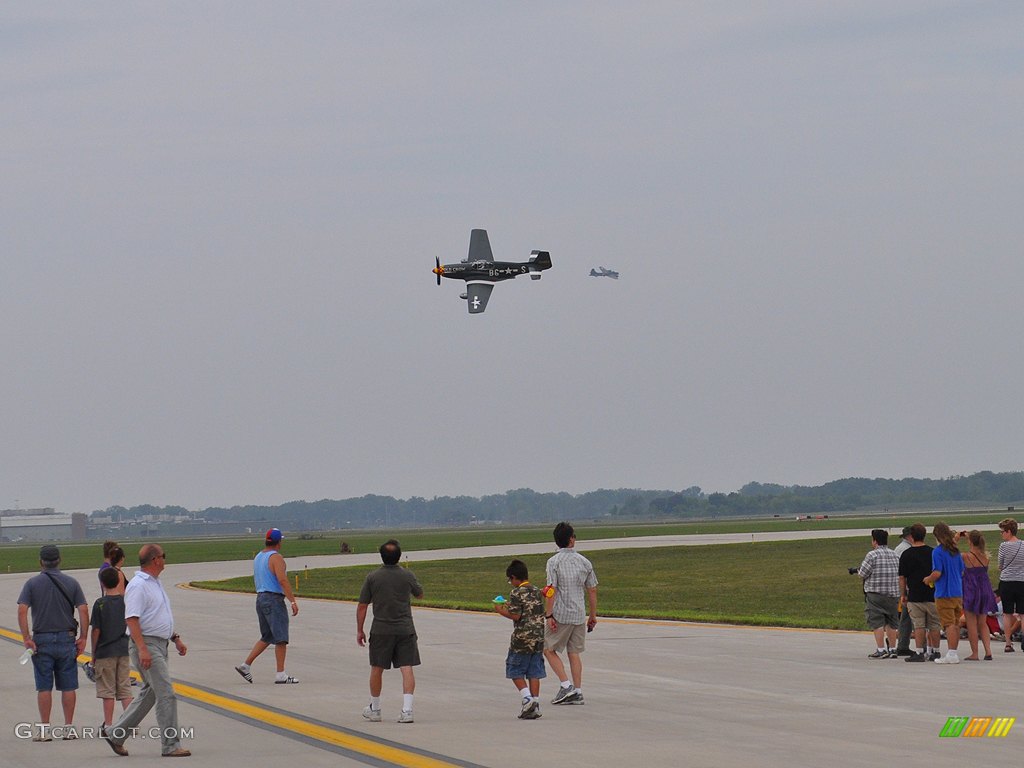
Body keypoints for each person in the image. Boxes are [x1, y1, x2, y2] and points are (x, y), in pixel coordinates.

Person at [102, 543, 191, 757]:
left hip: (159, 643)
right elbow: (131, 618)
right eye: (164, 556)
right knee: (167, 694)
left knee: (150, 694)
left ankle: (115, 734)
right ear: (155, 560)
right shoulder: (139, 585)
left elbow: (156, 616)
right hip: (147, 645)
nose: (165, 559)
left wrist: (175, 637)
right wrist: (143, 649)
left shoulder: (154, 583)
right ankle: (170, 745)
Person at [16, 544, 89, 742]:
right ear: (59, 560)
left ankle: (45, 730)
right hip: (66, 639)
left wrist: (26, 638)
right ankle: (68, 728)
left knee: (44, 686)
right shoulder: (72, 583)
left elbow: (22, 611)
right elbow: (83, 610)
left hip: (42, 639)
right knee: (68, 686)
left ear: (41, 562)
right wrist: (83, 637)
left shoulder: (31, 584)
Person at [356, 539, 424, 724]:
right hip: (405, 629)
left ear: (382, 556)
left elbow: (362, 606)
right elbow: (419, 593)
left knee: (377, 668)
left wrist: (359, 630)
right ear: (399, 556)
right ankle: (407, 710)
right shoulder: (407, 575)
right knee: (406, 667)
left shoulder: (372, 577)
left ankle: (375, 708)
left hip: (381, 629)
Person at [235, 528, 300, 685]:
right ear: (279, 542)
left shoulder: (259, 556)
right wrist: (292, 600)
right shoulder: (276, 557)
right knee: (281, 638)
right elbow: (282, 579)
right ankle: (281, 674)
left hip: (261, 598)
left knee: (268, 636)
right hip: (273, 599)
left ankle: (245, 665)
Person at [543, 522, 598, 705]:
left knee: (548, 649)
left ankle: (566, 686)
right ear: (571, 539)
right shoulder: (584, 562)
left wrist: (549, 614)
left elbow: (551, 590)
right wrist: (592, 615)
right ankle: (578, 690)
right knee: (574, 652)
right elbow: (592, 589)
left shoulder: (553, 562)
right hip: (578, 613)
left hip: (561, 613)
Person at [493, 559, 546, 720]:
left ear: (515, 577)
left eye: (510, 579)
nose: (511, 583)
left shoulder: (516, 592)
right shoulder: (536, 590)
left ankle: (527, 699)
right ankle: (535, 704)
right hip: (538, 636)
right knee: (534, 670)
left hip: (522, 637)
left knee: (514, 669)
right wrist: (510, 605)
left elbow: (516, 615)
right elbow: (528, 608)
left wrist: (500, 610)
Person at [91, 566, 134, 725]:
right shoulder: (126, 602)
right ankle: (130, 722)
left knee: (107, 690)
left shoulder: (100, 604)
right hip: (123, 649)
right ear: (118, 582)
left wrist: (93, 653)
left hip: (105, 651)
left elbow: (96, 630)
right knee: (125, 687)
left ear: (102, 583)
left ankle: (108, 724)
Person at [924, 522, 966, 664]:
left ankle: (952, 654)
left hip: (944, 593)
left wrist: (928, 579)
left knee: (948, 625)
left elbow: (937, 572)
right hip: (957, 592)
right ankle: (953, 651)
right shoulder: (955, 550)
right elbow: (962, 570)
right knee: (955, 623)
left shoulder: (938, 552)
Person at [898, 523, 941, 662]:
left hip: (915, 596)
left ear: (911, 536)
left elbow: (902, 577)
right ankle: (936, 651)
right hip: (931, 594)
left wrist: (903, 594)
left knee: (919, 625)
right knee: (934, 625)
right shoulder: (932, 552)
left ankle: (919, 651)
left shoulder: (906, 554)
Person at [858, 529, 900, 658]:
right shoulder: (895, 555)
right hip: (893, 594)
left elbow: (862, 573)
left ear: (875, 541)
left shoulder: (872, 555)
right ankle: (893, 649)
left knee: (877, 622)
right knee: (892, 622)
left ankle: (881, 649)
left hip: (875, 594)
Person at [961, 530, 998, 660]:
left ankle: (975, 653)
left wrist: (958, 537)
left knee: (971, 623)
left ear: (970, 541)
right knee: (983, 622)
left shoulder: (965, 556)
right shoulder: (985, 557)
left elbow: (952, 552)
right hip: (984, 589)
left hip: (971, 589)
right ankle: (988, 651)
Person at [996, 517, 1024, 653]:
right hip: (1021, 581)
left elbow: (1000, 565)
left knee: (1007, 613)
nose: (1001, 534)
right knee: (1022, 613)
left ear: (1008, 531)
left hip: (1007, 581)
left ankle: (1008, 643)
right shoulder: (1023, 545)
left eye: (1002, 532)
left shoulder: (1003, 546)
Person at [892, 526, 915, 656]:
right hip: (907, 587)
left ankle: (902, 645)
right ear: (910, 536)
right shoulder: (906, 549)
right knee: (915, 618)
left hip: (903, 586)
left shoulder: (900, 548)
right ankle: (921, 647)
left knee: (905, 618)